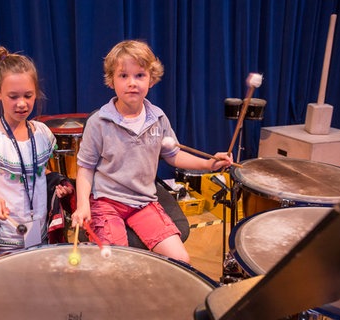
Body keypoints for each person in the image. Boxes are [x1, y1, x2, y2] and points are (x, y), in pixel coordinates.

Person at [72, 40, 233, 264]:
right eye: (123, 76)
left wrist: (209, 164)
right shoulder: (99, 122)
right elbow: (85, 169)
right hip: (106, 202)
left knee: (181, 260)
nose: (132, 83)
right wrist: (83, 205)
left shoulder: (157, 117)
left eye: (139, 75)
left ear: (151, 78)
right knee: (115, 265)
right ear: (111, 80)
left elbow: (173, 155)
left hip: (143, 201)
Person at [0, 46, 73, 256]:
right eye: (13, 96)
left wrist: (58, 185)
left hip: (40, 234)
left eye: (28, 95)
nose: (22, 103)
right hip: (4, 240)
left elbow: (39, 174)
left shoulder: (42, 133)